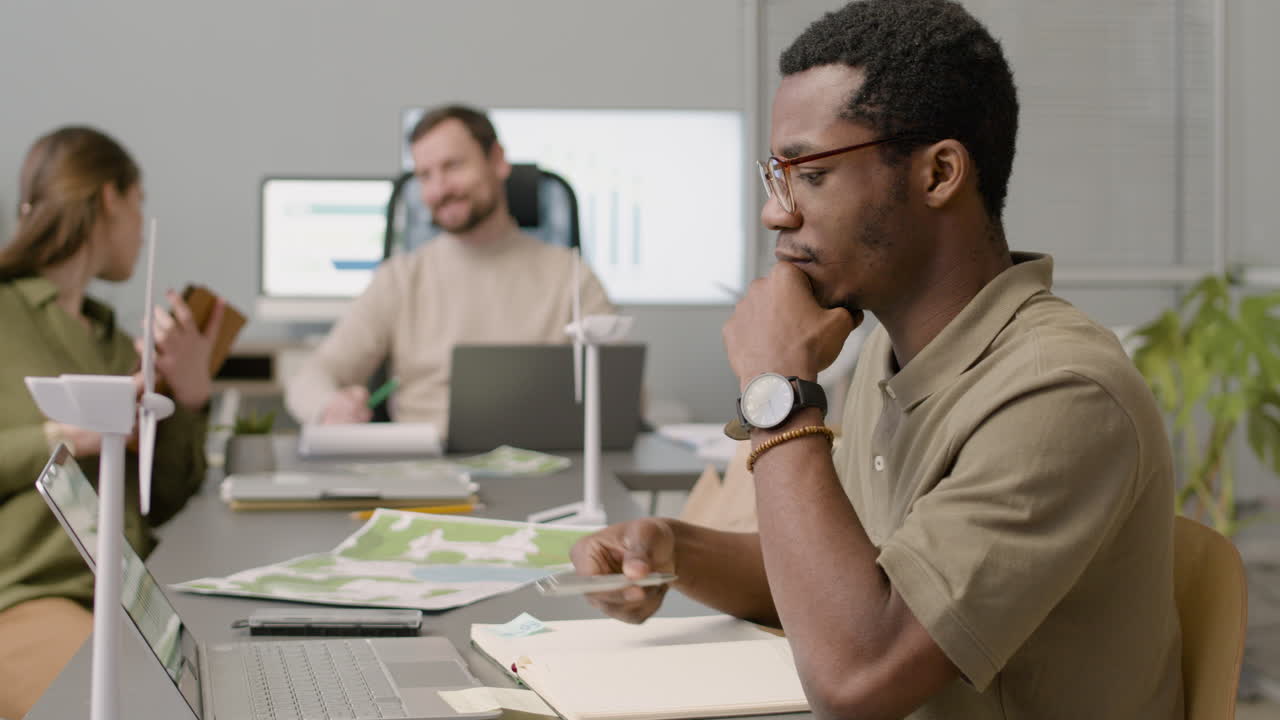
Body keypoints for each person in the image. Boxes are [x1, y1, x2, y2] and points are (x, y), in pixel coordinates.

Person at [570, 2, 1183, 718]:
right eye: (778, 174)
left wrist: (777, 393)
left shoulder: (1061, 392)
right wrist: (675, 548)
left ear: (939, 173)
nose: (777, 213)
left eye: (811, 173)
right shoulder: (886, 353)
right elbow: (848, 586)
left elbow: (857, 678)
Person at [0, 126, 224, 718]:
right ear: (109, 198)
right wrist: (70, 434)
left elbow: (162, 500)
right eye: (140, 200)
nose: (142, 229)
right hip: (25, 599)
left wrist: (192, 397)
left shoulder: (109, 341)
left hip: (129, 600)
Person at [286, 104, 615, 429]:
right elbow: (313, 374)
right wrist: (328, 406)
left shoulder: (570, 276)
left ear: (497, 160)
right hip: (427, 465)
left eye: (453, 166)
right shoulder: (401, 279)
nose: (439, 189)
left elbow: (621, 394)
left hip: (543, 461)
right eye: (425, 176)